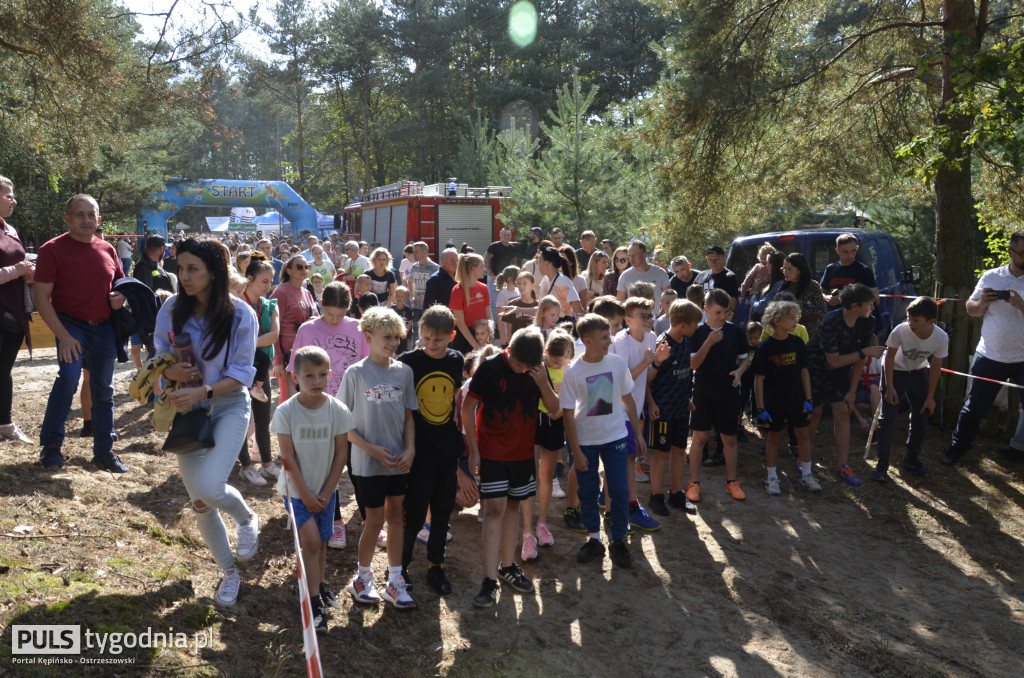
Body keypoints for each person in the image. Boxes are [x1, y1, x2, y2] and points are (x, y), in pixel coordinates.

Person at [154, 237, 260, 607]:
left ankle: (246, 517)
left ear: (213, 272)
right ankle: (228, 572)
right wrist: (171, 371)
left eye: (192, 269)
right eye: (180, 268)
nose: (183, 276)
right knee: (200, 502)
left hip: (229, 405)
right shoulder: (170, 309)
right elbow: (159, 358)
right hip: (188, 413)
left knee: (213, 488)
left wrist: (203, 390)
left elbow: (242, 375)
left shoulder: (241, 314)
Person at [462, 327, 559, 608]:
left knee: (514, 507)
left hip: (522, 455)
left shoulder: (537, 371)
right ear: (509, 350)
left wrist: (542, 384)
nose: (520, 370)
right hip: (491, 454)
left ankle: (508, 566)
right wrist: (473, 450)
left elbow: (554, 409)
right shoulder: (491, 368)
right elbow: (468, 407)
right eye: (517, 364)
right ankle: (489, 579)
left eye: (526, 366)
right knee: (494, 510)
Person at [35, 194, 128, 472]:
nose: (86, 220)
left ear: (99, 219)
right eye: (80, 214)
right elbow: (42, 298)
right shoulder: (52, 250)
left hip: (104, 330)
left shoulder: (108, 250)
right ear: (67, 219)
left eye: (91, 215)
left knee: (104, 391)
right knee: (68, 380)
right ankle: (51, 447)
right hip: (70, 326)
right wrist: (63, 336)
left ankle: (104, 451)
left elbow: (121, 285)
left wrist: (119, 297)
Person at [339, 307, 419, 609]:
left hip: (398, 462)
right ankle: (362, 578)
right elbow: (342, 422)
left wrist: (410, 450)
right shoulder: (355, 373)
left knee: (396, 517)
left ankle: (395, 580)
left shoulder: (404, 372)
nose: (393, 343)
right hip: (366, 463)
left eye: (397, 338)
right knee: (373, 522)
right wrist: (369, 448)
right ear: (368, 336)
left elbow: (409, 416)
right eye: (386, 337)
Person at [272, 345, 353, 633]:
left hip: (325, 490)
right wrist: (306, 494)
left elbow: (341, 454)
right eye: (309, 376)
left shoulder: (338, 410)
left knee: (322, 540)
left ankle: (320, 585)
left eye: (322, 375)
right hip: (297, 491)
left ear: (330, 375)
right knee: (311, 542)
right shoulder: (286, 412)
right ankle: (312, 601)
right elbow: (287, 457)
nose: (317, 381)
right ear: (295, 377)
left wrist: (328, 490)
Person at [562, 313, 647, 569]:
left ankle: (618, 540)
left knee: (620, 491)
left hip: (616, 438)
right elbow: (567, 413)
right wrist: (575, 451)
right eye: (603, 337)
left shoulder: (617, 363)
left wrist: (638, 433)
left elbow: (628, 399)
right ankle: (595, 539)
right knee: (587, 492)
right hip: (585, 443)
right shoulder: (573, 373)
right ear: (587, 341)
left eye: (609, 335)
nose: (609, 340)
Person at [940, 234, 1024, 465]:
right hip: (990, 355)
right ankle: (957, 449)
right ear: (1010, 252)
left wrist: (1021, 305)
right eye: (1022, 253)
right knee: (974, 408)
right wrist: (983, 302)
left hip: (1023, 358)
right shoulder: (992, 276)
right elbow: (972, 309)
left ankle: (1018, 449)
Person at [399, 306, 466, 595]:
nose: (431, 344)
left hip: (446, 450)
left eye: (437, 339)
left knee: (442, 513)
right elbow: (402, 411)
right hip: (419, 452)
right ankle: (399, 569)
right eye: (425, 337)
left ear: (451, 336)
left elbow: (455, 402)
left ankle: (435, 566)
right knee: (413, 515)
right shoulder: (407, 362)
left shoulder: (456, 359)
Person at [805, 283, 885, 485]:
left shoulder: (868, 322)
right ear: (855, 305)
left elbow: (860, 359)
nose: (873, 307)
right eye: (869, 304)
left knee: (843, 412)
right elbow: (834, 360)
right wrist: (864, 353)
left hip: (842, 371)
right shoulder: (831, 321)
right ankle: (804, 459)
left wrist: (851, 391)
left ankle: (843, 465)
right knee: (815, 413)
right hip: (816, 369)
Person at [685, 289, 750, 503]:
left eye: (726, 312)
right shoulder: (697, 333)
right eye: (717, 313)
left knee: (729, 439)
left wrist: (739, 372)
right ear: (706, 310)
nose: (722, 317)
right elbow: (693, 364)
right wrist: (710, 342)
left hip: (728, 392)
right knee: (700, 438)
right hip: (703, 391)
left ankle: (732, 481)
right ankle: (693, 483)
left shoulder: (735, 332)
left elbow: (744, 360)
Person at [873, 297, 948, 480]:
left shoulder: (940, 337)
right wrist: (889, 387)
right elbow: (889, 357)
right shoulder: (901, 330)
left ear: (930, 322)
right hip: (894, 371)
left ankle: (911, 460)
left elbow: (936, 367)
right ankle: (882, 464)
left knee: (922, 415)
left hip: (917, 371)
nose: (910, 323)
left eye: (916, 320)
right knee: (888, 417)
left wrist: (930, 397)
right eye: (909, 318)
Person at [752, 300, 820, 495]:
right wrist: (760, 408)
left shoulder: (797, 342)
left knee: (802, 436)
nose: (795, 321)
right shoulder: (765, 347)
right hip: (774, 402)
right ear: (777, 320)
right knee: (773, 437)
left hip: (797, 400)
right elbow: (759, 379)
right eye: (790, 318)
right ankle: (772, 478)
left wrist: (809, 398)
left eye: (795, 318)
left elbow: (805, 371)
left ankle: (807, 475)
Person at [518, 330, 572, 561]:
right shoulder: (537, 367)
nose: (558, 365)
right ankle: (527, 532)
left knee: (547, 476)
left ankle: (542, 524)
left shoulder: (570, 371)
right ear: (546, 353)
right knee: (530, 476)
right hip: (532, 423)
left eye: (563, 361)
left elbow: (571, 402)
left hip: (553, 424)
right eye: (555, 361)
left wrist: (561, 407)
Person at [610, 296, 662, 532]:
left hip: (635, 408)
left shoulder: (652, 337)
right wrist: (647, 361)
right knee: (627, 459)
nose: (650, 319)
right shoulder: (621, 341)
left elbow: (647, 378)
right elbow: (623, 382)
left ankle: (608, 499)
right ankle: (631, 507)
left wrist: (657, 364)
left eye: (651, 314)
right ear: (628, 320)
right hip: (618, 411)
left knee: (624, 459)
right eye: (644, 316)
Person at [646, 299, 702, 516]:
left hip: (680, 409)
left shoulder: (686, 342)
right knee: (661, 453)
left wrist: (687, 397)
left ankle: (677, 493)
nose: (697, 327)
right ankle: (656, 495)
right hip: (663, 410)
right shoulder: (663, 344)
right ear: (683, 325)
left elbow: (686, 373)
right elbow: (648, 380)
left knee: (679, 451)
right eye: (695, 324)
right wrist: (651, 404)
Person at [237, 253, 282, 486]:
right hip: (240, 369)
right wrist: (257, 341)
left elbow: (274, 336)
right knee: (242, 419)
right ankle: (246, 465)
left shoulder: (269, 304)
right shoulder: (236, 303)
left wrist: (248, 341)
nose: (269, 286)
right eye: (264, 281)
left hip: (261, 368)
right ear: (250, 278)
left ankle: (266, 463)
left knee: (263, 418)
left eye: (271, 281)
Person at [0, 175, 34, 444]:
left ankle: (4, 424)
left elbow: (20, 267)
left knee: (4, 371)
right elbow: (14, 268)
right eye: (9, 195)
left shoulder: (10, 230)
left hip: (13, 313)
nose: (14, 200)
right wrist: (16, 271)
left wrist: (28, 274)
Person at [271, 255, 318, 402]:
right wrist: (278, 361)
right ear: (289, 271)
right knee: (288, 399)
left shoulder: (307, 292)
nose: (304, 270)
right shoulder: (281, 292)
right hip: (288, 356)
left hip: (307, 352)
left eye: (306, 267)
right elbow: (274, 329)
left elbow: (316, 316)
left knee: (305, 396)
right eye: (299, 267)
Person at [821, 233, 879, 307]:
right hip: (835, 316)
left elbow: (875, 298)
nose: (850, 255)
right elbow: (821, 291)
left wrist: (844, 298)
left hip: (857, 316)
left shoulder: (864, 271)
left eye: (853, 251)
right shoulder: (831, 268)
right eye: (846, 252)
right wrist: (826, 298)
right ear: (837, 251)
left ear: (857, 249)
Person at [449, 253, 491, 355]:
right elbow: (460, 324)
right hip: (463, 338)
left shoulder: (484, 288)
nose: (484, 269)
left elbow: (489, 316)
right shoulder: (458, 290)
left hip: (482, 334)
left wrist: (490, 336)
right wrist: (475, 346)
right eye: (482, 266)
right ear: (473, 269)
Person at [779, 253, 828, 336]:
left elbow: (822, 311)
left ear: (800, 270)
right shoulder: (784, 286)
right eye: (784, 269)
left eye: (789, 269)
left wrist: (796, 311)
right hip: (786, 334)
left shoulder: (812, 286)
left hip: (807, 334)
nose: (785, 272)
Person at [616, 241, 671, 306]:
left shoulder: (660, 273)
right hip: (634, 315)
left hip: (656, 315)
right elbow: (619, 302)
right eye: (629, 256)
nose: (631, 259)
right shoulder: (625, 276)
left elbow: (669, 298)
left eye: (634, 255)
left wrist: (660, 315)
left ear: (644, 255)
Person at [536, 247, 584, 319]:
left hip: (562, 327)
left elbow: (578, 310)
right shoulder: (545, 281)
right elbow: (539, 309)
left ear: (547, 263)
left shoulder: (563, 282)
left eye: (539, 262)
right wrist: (519, 309)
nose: (538, 266)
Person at [693, 245, 740, 310]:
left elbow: (732, 304)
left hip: (718, 316)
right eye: (710, 260)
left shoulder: (729, 277)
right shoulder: (701, 276)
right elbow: (692, 298)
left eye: (716, 259)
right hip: (700, 316)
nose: (713, 262)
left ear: (724, 257)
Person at [499, 271, 539, 343]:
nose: (521, 286)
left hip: (534, 345)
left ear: (532, 285)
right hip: (517, 345)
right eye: (519, 283)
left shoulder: (538, 305)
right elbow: (509, 330)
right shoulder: (512, 304)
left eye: (524, 283)